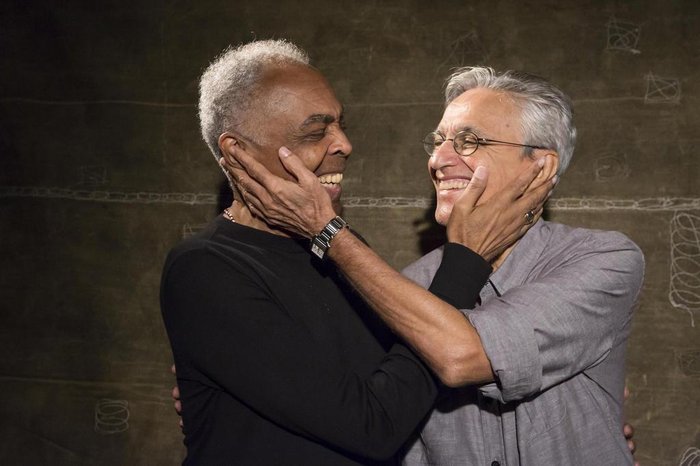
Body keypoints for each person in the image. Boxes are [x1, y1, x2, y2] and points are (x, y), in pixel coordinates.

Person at [228, 66, 645, 465]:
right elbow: (336, 396)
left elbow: (463, 356)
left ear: (540, 167)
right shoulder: (406, 288)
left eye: (469, 141)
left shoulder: (603, 261)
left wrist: (325, 229)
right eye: (438, 141)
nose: (439, 160)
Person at [160, 41, 552, 465]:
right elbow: (373, 425)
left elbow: (403, 385)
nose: (343, 144)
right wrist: (464, 258)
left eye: (340, 125)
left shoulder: (340, 247)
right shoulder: (205, 269)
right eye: (315, 132)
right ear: (238, 151)